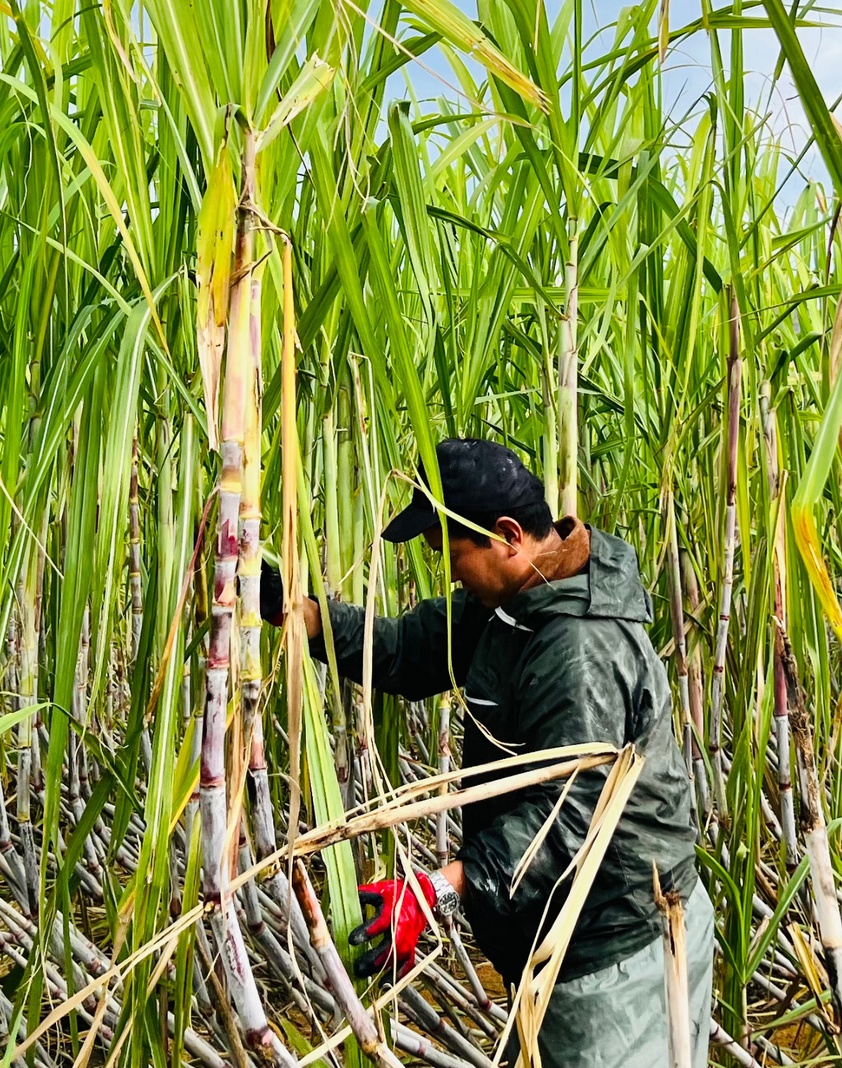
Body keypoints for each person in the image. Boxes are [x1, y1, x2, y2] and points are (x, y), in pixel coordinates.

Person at [261, 437, 715, 1068]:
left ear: (505, 536)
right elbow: (410, 650)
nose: (446, 570)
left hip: (617, 954)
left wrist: (434, 892)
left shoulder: (579, 651)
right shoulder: (515, 598)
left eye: (451, 550)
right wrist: (300, 614)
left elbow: (569, 823)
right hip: (559, 943)